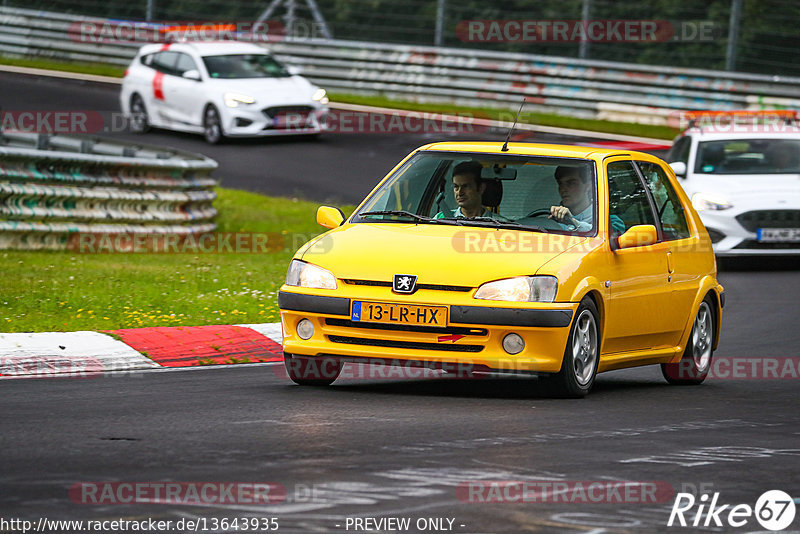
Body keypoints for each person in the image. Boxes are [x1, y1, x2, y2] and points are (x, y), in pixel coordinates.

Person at [549, 166, 625, 234]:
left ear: (588, 186)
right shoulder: (552, 218)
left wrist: (573, 222)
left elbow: (609, 237)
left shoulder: (609, 221)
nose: (563, 189)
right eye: (560, 184)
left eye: (571, 183)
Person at [435, 161, 501, 219]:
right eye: (456, 187)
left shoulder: (502, 225)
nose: (460, 193)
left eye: (465, 186)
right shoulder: (440, 219)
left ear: (481, 188)